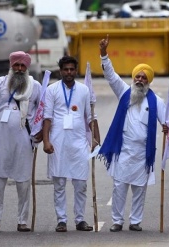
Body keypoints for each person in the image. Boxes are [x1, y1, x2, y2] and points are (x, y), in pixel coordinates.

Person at [98, 35, 168, 232]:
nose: (139, 80)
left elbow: (168, 122)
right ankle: (117, 221)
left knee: (140, 189)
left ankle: (135, 221)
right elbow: (110, 76)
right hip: (124, 150)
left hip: (142, 154)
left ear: (148, 81)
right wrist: (104, 54)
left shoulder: (156, 102)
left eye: (143, 77)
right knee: (119, 188)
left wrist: (166, 127)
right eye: (137, 76)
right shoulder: (124, 92)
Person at [0, 51, 42, 233]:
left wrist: (41, 133)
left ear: (27, 67)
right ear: (11, 66)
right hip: (2, 137)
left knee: (23, 182)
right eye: (16, 65)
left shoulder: (35, 86)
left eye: (22, 66)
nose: (19, 69)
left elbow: (42, 109)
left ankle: (22, 221)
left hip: (24, 137)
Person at [42, 56, 100, 232]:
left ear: (76, 70)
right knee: (59, 183)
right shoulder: (52, 90)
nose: (69, 72)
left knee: (80, 184)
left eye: (71, 69)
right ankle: (61, 220)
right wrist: (46, 141)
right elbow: (47, 117)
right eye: (65, 69)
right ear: (60, 71)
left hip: (79, 142)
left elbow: (91, 117)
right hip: (58, 142)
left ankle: (80, 219)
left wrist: (96, 140)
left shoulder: (84, 90)